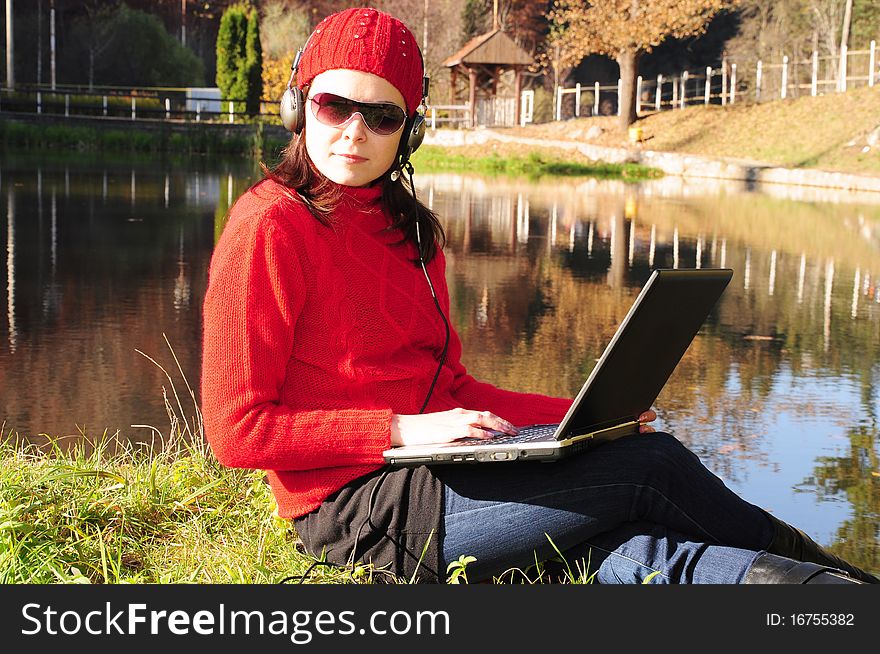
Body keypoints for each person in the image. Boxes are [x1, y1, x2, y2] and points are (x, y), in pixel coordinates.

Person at [200, 7, 878, 585]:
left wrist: (586, 419)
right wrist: (399, 430)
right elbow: (236, 431)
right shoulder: (269, 224)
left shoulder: (409, 232)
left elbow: (455, 392)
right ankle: (843, 573)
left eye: (381, 116)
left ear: (410, 131)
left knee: (634, 548)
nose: (354, 131)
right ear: (298, 105)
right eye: (334, 105)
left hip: (438, 470)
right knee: (652, 469)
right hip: (353, 511)